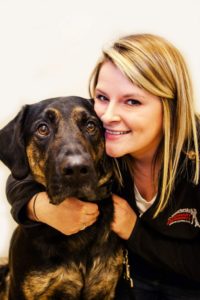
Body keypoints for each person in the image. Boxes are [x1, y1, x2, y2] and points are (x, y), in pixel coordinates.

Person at [6, 33, 200, 299]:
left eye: (132, 101)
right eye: (102, 97)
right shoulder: (107, 150)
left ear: (171, 106)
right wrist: (39, 208)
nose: (108, 116)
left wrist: (134, 231)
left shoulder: (191, 162)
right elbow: (20, 176)